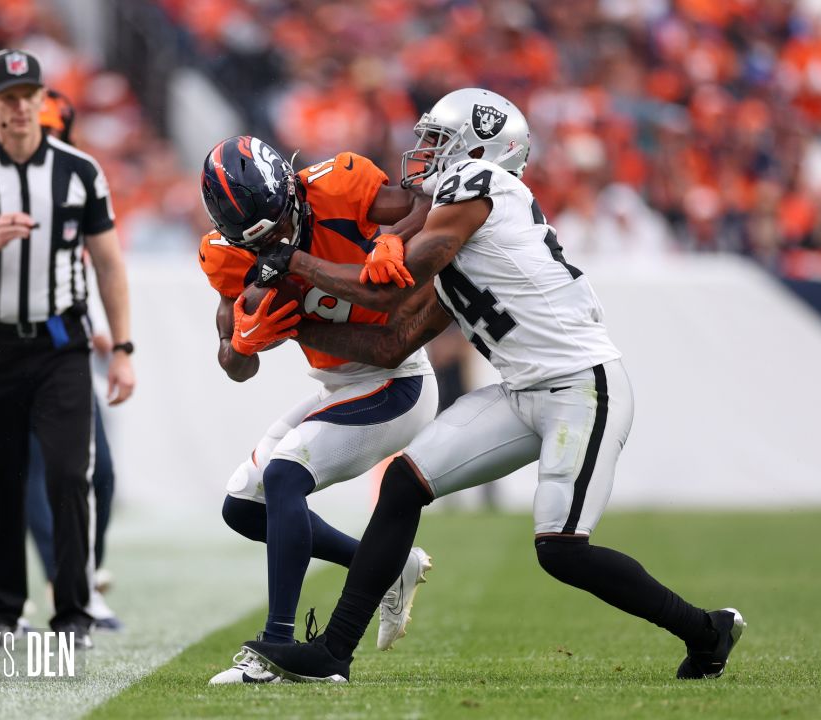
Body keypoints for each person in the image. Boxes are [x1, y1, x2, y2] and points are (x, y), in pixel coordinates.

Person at [240, 88, 745, 681]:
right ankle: (333, 655)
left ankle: (706, 631)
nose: (422, 151)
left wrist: (292, 263)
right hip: (523, 392)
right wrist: (292, 327)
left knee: (561, 551)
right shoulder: (462, 235)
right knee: (403, 485)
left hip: (581, 387)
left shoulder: (481, 182)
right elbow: (390, 344)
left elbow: (390, 287)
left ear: (479, 149)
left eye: (438, 140)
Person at [197, 135, 439, 684]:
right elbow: (233, 364)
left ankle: (275, 649)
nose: (276, 241)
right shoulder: (226, 253)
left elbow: (427, 203)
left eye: (281, 224)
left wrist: (394, 239)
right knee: (243, 506)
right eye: (259, 239)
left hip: (398, 380)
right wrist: (242, 342)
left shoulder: (339, 185)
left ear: (289, 188)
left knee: (285, 477)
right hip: (339, 384)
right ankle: (388, 565)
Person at [0, 49, 135, 650]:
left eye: (29, 95)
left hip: (60, 345)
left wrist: (122, 347)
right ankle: (1, 612)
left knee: (71, 476)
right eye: (8, 97)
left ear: (43, 99)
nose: (20, 107)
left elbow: (109, 263)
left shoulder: (79, 171)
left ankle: (73, 612)